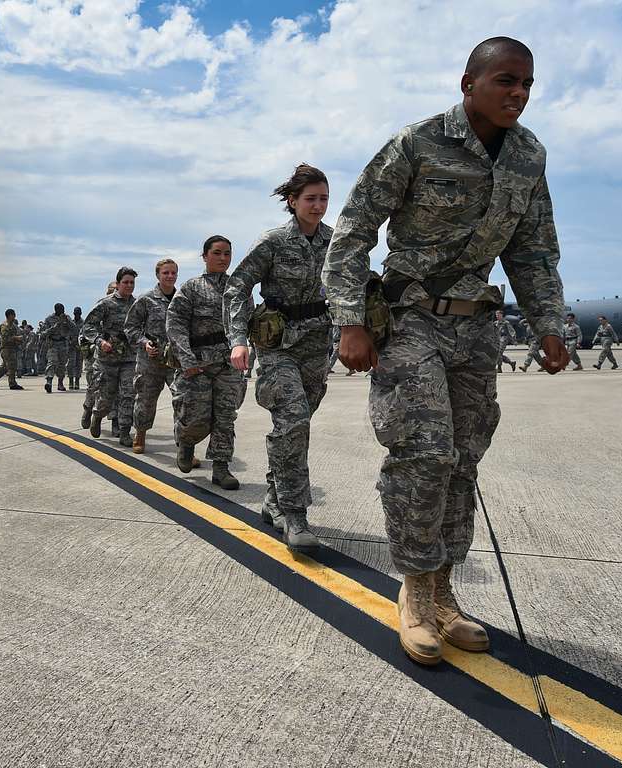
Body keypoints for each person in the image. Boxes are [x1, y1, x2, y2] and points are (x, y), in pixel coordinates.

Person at [322, 37, 568, 666]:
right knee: (424, 453)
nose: (518, 93)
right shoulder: (419, 142)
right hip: (410, 323)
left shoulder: (529, 155)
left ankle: (444, 592)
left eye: (527, 85)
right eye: (506, 81)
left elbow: (533, 246)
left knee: (463, 461)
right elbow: (351, 233)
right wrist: (351, 320)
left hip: (477, 329)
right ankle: (411, 589)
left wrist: (548, 323)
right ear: (469, 83)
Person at [226, 164, 333, 547]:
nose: (318, 205)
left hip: (317, 346)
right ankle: (294, 515)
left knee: (295, 429)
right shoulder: (272, 242)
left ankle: (272, 499)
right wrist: (238, 338)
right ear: (292, 201)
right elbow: (238, 286)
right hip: (276, 346)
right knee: (293, 419)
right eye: (310, 198)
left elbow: (348, 287)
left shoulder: (334, 242)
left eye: (323, 198)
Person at [166, 236, 244, 490]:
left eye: (227, 254)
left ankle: (221, 468)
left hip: (227, 363)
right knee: (195, 416)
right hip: (197, 364)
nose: (223, 258)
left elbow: (245, 321)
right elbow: (175, 324)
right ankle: (186, 444)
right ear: (205, 256)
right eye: (217, 253)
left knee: (225, 417)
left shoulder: (237, 288)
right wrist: (187, 359)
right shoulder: (191, 288)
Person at [125, 259, 180, 455]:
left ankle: (184, 447)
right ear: (158, 275)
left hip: (175, 360)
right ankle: (140, 434)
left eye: (173, 273)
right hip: (151, 360)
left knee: (183, 401)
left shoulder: (182, 299)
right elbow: (130, 327)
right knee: (145, 400)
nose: (170, 276)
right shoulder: (146, 299)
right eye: (166, 273)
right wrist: (144, 343)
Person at [81, 268, 138, 445]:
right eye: (126, 282)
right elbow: (88, 326)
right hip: (107, 359)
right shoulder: (106, 303)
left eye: (132, 283)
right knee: (106, 398)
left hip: (129, 358)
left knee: (128, 395)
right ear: (118, 283)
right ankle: (97, 416)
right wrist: (100, 341)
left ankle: (124, 432)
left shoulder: (137, 304)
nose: (129, 286)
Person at [81, 281, 117, 429]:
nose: (114, 292)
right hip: (97, 357)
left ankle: (116, 422)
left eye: (116, 289)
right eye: (111, 290)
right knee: (95, 388)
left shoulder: (126, 308)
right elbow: (85, 331)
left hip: (119, 357)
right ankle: (89, 410)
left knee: (118, 391)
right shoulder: (100, 308)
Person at [40, 303, 76, 393]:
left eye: (63, 310)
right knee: (51, 362)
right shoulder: (49, 319)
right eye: (60, 310)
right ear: (56, 310)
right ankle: (49, 382)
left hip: (63, 344)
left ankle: (60, 383)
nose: (62, 312)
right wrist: (55, 327)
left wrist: (67, 321)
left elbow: (75, 329)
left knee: (62, 365)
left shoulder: (67, 318)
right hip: (53, 344)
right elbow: (43, 334)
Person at [0, 309, 25, 389]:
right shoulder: (4, 326)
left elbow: (16, 335)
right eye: (13, 315)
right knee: (12, 366)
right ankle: (12, 383)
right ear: (10, 315)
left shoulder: (13, 326)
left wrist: (19, 341)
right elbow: (5, 338)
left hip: (12, 348)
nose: (15, 316)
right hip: (7, 349)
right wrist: (16, 338)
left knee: (5, 367)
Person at [68, 306, 84, 389]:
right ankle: (71, 381)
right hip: (71, 346)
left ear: (80, 314)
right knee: (71, 364)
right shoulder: (71, 323)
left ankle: (77, 381)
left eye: (78, 313)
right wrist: (70, 342)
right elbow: (67, 334)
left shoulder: (84, 323)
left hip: (80, 347)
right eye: (75, 313)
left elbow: (85, 335)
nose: (76, 315)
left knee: (79, 364)